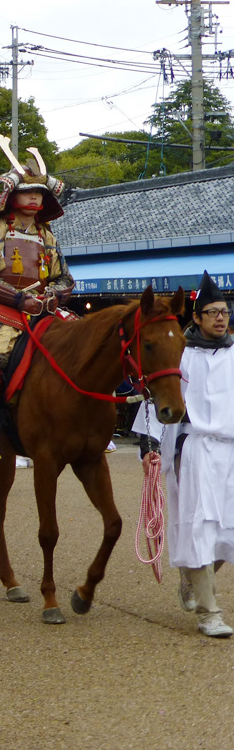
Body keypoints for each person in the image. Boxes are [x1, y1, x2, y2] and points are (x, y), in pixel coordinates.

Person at [0, 136, 72, 459]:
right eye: (27, 192)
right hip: (4, 309)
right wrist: (20, 299)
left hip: (45, 309)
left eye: (39, 192)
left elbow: (66, 278)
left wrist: (53, 295)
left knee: (85, 341)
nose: (35, 197)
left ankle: (83, 419)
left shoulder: (47, 236)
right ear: (12, 196)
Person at [158, 272, 234, 638]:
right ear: (197, 317)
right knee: (201, 526)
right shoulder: (182, 356)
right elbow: (161, 399)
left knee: (227, 530)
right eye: (213, 312)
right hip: (196, 451)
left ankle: (191, 577)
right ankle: (209, 613)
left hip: (231, 451)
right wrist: (149, 446)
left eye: (225, 311)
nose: (220, 318)